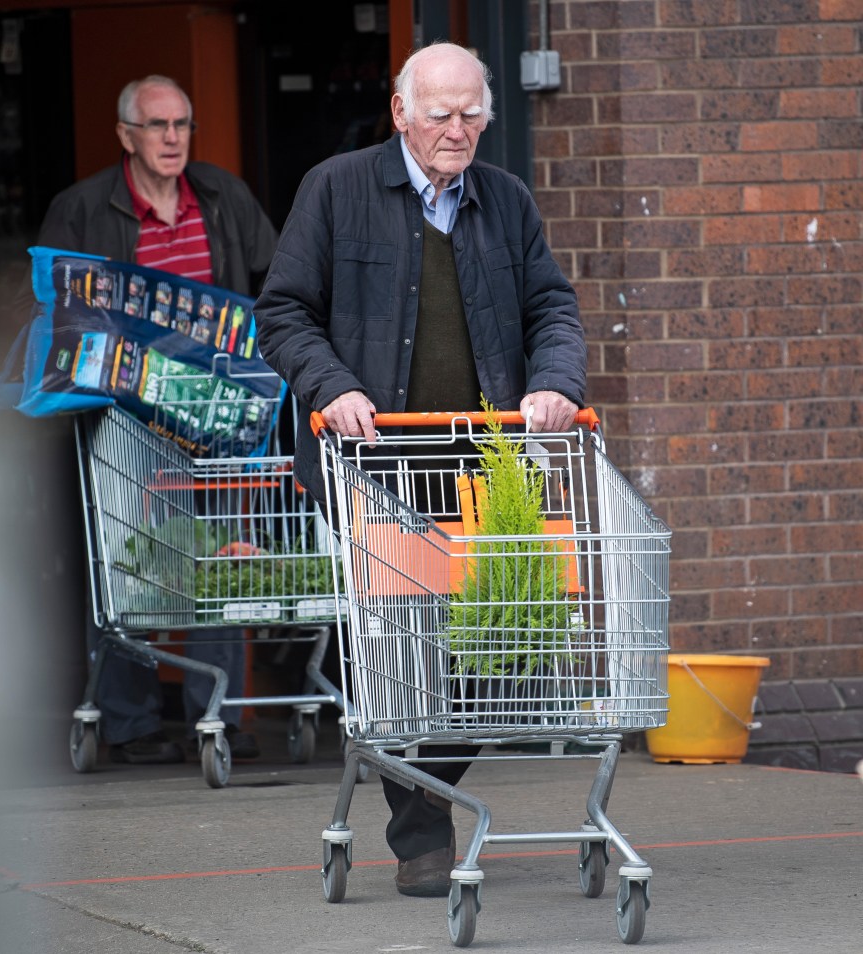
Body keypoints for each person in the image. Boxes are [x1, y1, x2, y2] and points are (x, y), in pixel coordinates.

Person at [254, 42, 587, 897]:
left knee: (507, 646)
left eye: (472, 113)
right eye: (440, 114)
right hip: (372, 461)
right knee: (401, 643)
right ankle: (422, 829)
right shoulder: (336, 188)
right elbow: (285, 311)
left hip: (485, 468)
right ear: (401, 112)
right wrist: (334, 388)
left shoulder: (505, 200)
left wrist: (553, 383)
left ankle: (421, 775)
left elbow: (551, 304)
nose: (457, 130)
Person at [33, 75, 279, 763]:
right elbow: (56, 313)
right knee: (129, 559)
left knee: (222, 557)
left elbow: (278, 280)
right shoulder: (82, 209)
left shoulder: (223, 196)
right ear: (126, 136)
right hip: (127, 417)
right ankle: (131, 722)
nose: (173, 139)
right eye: (157, 126)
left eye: (182, 125)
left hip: (215, 409)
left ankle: (219, 715)